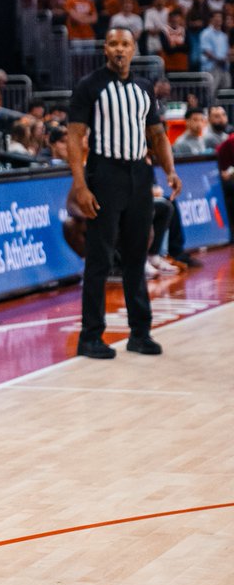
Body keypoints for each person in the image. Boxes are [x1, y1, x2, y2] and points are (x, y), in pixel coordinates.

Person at [67, 29, 181, 360]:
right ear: (106, 49)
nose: (119, 50)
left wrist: (170, 170)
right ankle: (90, 337)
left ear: (133, 50)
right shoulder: (90, 85)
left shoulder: (144, 88)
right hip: (105, 174)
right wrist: (80, 185)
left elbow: (157, 135)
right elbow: (75, 137)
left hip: (139, 174)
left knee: (136, 256)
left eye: (125, 44)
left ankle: (140, 334)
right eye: (114, 44)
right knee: (100, 259)